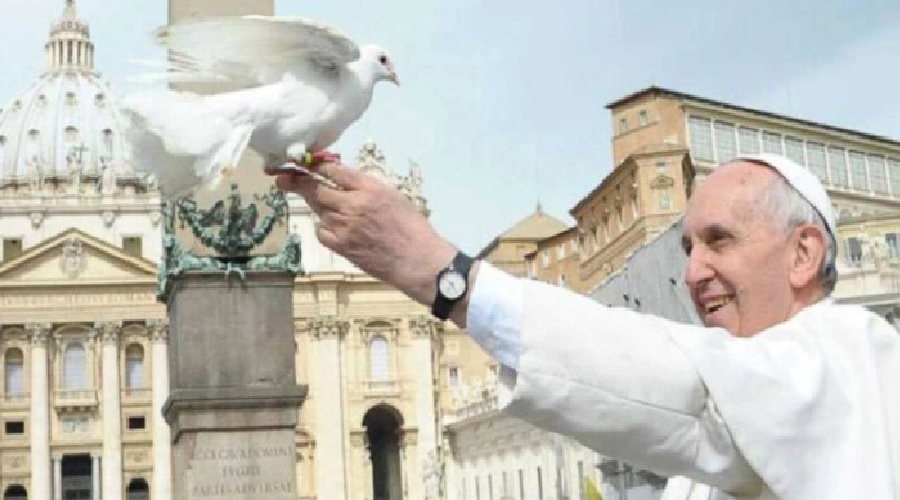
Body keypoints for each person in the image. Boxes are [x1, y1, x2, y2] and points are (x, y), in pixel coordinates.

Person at [276, 153, 900, 499]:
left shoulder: (851, 357)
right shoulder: (705, 460)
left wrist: (446, 276)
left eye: (720, 241)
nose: (693, 273)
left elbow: (685, 386)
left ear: (803, 253)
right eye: (687, 249)